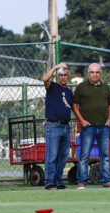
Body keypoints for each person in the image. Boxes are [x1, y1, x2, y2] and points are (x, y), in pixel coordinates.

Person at [72, 63, 110, 189]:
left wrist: (109, 118)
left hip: (104, 127)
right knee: (84, 155)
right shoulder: (81, 87)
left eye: (97, 72)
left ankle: (107, 181)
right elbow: (74, 105)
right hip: (88, 127)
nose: (95, 74)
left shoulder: (105, 87)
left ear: (100, 73)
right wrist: (82, 120)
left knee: (105, 155)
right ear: (88, 73)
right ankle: (81, 182)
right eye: (92, 72)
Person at [42, 62, 73, 190]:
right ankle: (49, 181)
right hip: (53, 125)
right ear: (57, 76)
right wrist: (55, 67)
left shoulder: (69, 92)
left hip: (65, 127)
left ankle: (58, 181)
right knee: (52, 155)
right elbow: (44, 79)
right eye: (61, 75)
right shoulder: (52, 86)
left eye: (65, 75)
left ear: (68, 76)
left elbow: (71, 108)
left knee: (63, 156)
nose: (63, 77)